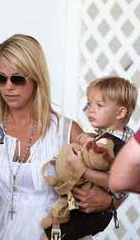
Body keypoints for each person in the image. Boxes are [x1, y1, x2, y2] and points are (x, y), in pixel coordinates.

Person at [0, 34, 113, 239]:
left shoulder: (66, 131)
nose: (8, 86)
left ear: (36, 78)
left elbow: (114, 182)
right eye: (0, 78)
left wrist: (107, 201)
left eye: (17, 79)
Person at [50, 76, 137, 239]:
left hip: (94, 212)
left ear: (120, 112)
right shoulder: (113, 137)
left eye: (99, 105)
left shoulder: (118, 144)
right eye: (89, 104)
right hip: (93, 210)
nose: (90, 109)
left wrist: (81, 171)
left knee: (52, 236)